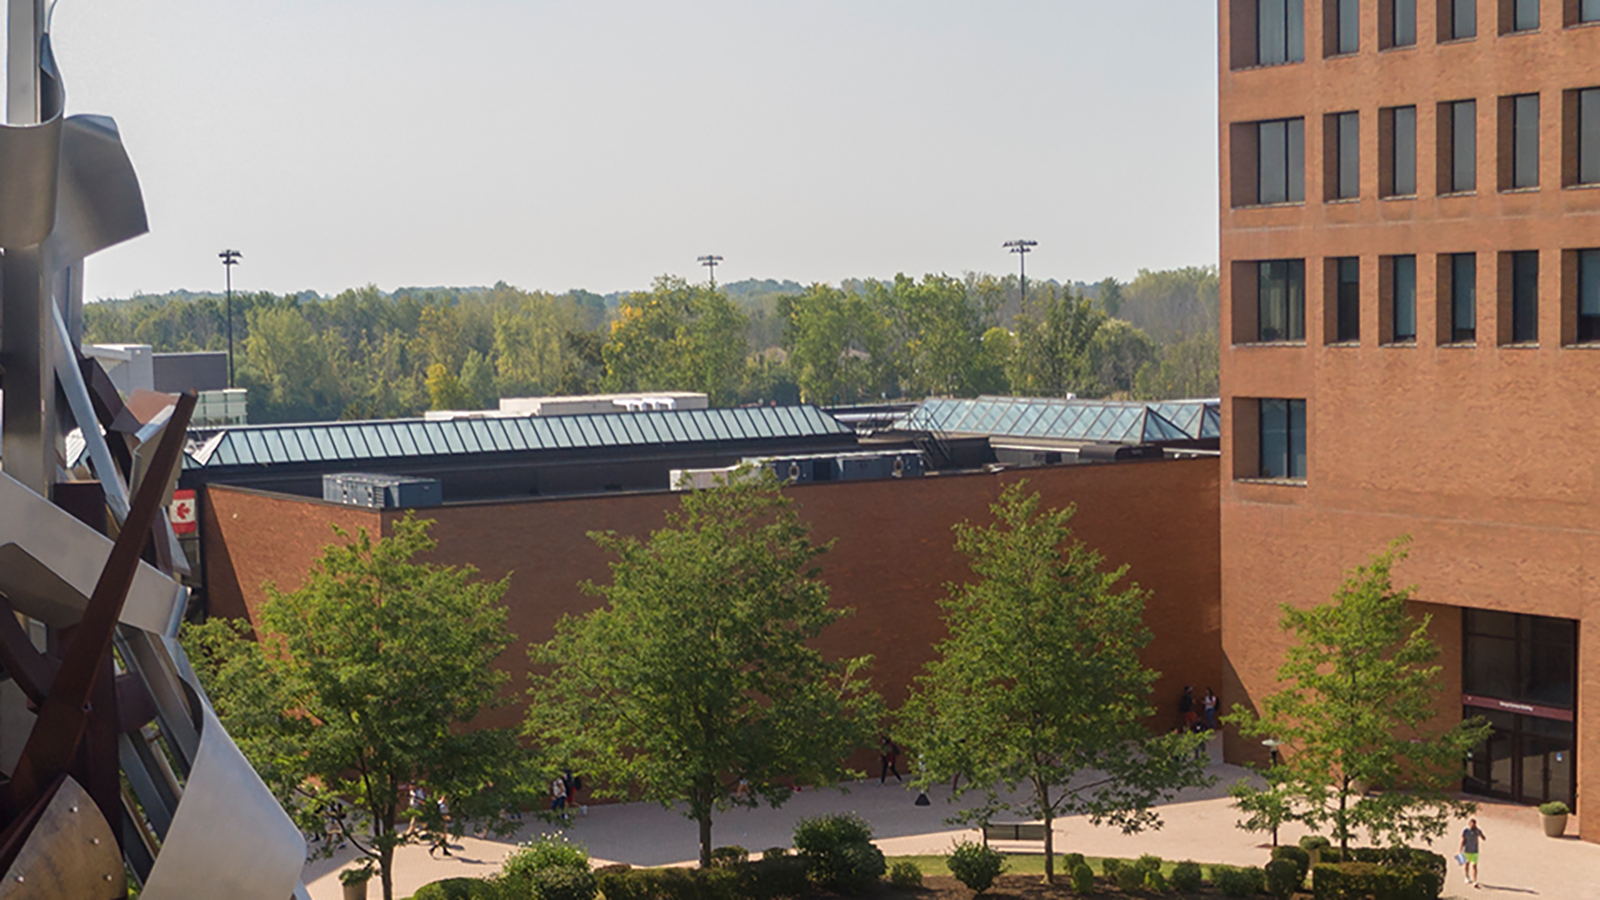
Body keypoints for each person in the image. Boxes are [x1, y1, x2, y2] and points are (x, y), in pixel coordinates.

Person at [1459, 818, 1486, 887]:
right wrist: (1460, 849)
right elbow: (1462, 840)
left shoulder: (1477, 831)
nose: (1472, 826)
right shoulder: (1466, 831)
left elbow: (1483, 837)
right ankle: (1467, 877)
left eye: (1473, 824)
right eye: (1471, 824)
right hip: (1467, 850)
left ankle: (1475, 880)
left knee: (1474, 866)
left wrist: (1481, 835)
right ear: (1469, 824)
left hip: (1475, 851)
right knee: (1467, 864)